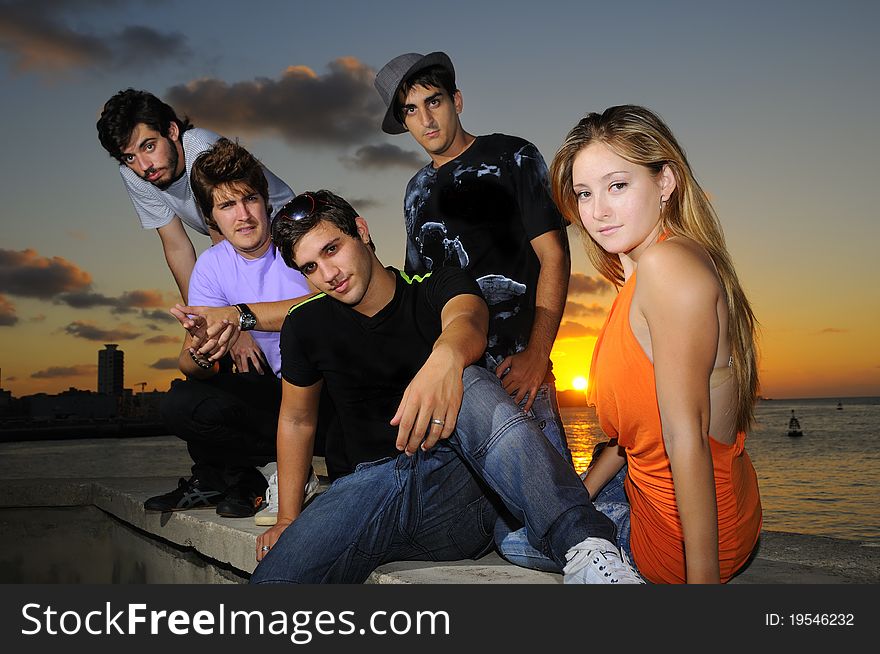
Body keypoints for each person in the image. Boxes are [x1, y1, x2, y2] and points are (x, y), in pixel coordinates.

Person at [249, 190, 643, 584]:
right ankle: (610, 518)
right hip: (368, 492)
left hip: (458, 492)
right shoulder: (305, 323)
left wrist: (445, 359)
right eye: (311, 267)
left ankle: (585, 543)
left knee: (469, 380)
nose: (328, 274)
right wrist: (287, 517)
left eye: (332, 249)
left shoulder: (435, 285)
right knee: (273, 584)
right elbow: (297, 420)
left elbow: (468, 321)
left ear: (362, 231)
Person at [548, 105, 762, 583]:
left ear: (665, 181)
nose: (597, 211)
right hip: (677, 501)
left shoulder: (667, 270)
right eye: (584, 193)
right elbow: (633, 439)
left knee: (513, 531)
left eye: (617, 185)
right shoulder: (650, 267)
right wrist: (582, 497)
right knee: (546, 505)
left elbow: (685, 436)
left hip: (676, 541)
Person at [373, 52, 571, 463]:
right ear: (404, 123)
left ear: (456, 101)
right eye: (411, 110)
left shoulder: (513, 156)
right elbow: (421, 289)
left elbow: (554, 256)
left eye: (434, 101)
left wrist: (537, 354)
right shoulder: (415, 192)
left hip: (518, 373)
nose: (426, 120)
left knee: (550, 500)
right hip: (454, 380)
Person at [145, 138, 317, 519]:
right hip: (273, 399)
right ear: (212, 219)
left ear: (265, 200)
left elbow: (323, 306)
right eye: (227, 205)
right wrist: (201, 348)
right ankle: (251, 477)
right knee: (182, 402)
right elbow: (188, 366)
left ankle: (296, 471)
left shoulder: (297, 241)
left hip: (325, 395)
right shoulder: (211, 266)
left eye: (250, 199)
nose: (243, 215)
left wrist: (240, 316)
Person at [96, 89, 295, 304]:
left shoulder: (202, 148)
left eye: (149, 146)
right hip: (235, 238)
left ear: (172, 131)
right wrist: (197, 313)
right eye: (129, 157)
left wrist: (218, 312)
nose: (144, 166)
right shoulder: (135, 174)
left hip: (283, 227)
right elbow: (176, 246)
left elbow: (222, 232)